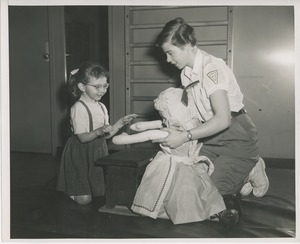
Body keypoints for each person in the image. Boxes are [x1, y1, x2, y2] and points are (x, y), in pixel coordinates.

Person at [151, 17, 269, 219]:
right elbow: (194, 113)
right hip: (211, 135)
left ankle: (251, 166)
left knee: (212, 195)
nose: (168, 60)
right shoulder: (186, 73)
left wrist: (185, 136)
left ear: (187, 45)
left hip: (236, 134)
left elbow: (223, 119)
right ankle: (243, 171)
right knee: (190, 184)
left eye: (170, 53)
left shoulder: (212, 68)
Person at [113, 87, 237, 226]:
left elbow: (145, 135)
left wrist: (122, 138)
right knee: (198, 192)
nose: (164, 121)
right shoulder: (193, 126)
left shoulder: (169, 134)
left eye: (165, 116)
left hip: (171, 166)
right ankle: (214, 212)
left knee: (173, 192)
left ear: (174, 113)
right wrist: (135, 127)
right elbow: (143, 126)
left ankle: (175, 213)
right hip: (189, 165)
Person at [56, 62, 138, 205]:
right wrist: (98, 131)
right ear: (82, 87)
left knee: (98, 189)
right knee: (84, 200)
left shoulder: (101, 106)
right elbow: (82, 138)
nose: (102, 90)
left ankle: (84, 189)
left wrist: (120, 123)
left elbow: (106, 136)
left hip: (98, 149)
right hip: (80, 152)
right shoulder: (78, 108)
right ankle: (71, 190)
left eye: (105, 86)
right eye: (97, 87)